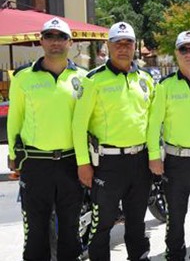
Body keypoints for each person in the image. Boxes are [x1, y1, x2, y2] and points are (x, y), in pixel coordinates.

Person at [72, 21, 155, 261]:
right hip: (107, 164)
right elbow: (79, 125)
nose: (123, 48)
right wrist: (82, 163)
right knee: (103, 225)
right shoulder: (93, 80)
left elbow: (152, 122)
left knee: (137, 222)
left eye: (128, 43)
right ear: (108, 46)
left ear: (134, 46)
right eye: (117, 43)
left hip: (140, 162)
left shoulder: (146, 79)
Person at [6, 17, 85, 260]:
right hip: (35, 162)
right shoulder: (23, 77)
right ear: (41, 41)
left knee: (71, 229)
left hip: (70, 163)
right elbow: (15, 119)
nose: (55, 42)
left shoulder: (83, 78)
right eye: (49, 36)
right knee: (36, 230)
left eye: (61, 37)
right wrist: (12, 155)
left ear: (70, 42)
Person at [146, 31, 190, 261]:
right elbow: (153, 124)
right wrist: (154, 155)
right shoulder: (165, 86)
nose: (189, 54)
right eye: (183, 49)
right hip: (176, 162)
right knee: (175, 217)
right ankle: (175, 256)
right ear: (176, 54)